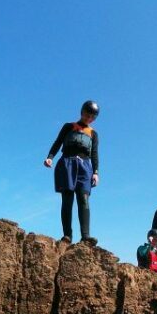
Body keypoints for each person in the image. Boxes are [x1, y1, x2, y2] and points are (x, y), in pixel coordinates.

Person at [44, 101, 100, 244]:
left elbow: (94, 154)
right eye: (87, 114)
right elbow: (58, 142)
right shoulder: (68, 127)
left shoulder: (93, 134)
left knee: (84, 199)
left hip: (85, 166)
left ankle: (86, 236)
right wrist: (50, 157)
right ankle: (67, 235)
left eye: (92, 116)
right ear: (82, 112)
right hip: (67, 162)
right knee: (67, 199)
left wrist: (96, 172)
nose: (89, 118)